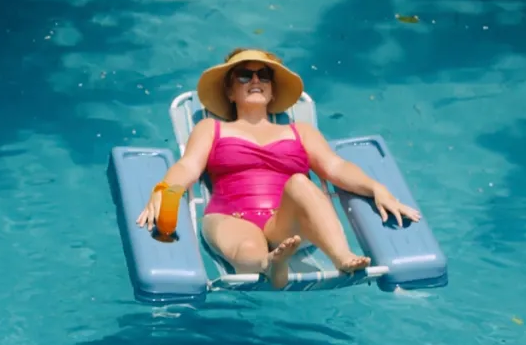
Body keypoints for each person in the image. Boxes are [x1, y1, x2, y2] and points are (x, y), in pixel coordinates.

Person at [136, 47, 421, 290]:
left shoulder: (302, 132)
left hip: (284, 222)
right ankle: (270, 265)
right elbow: (188, 165)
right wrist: (163, 191)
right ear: (231, 91)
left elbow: (336, 167)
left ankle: (341, 257)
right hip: (229, 217)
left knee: (300, 182)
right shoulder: (211, 128)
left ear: (272, 91)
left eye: (264, 75)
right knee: (248, 251)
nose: (256, 80)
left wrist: (377, 188)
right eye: (245, 75)